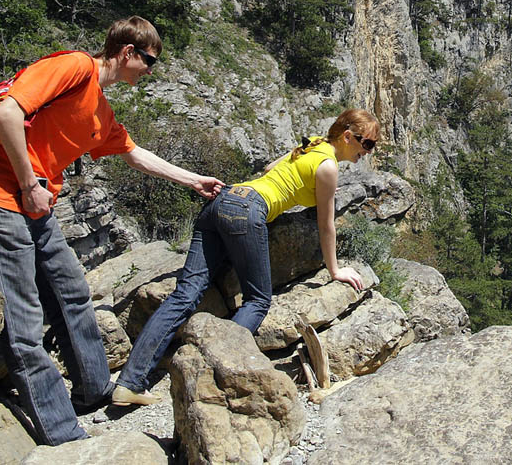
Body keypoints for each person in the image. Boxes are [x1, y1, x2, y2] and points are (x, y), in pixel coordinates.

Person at [0, 16, 223, 445]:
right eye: (149, 61)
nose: (151, 71)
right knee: (24, 322)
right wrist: (28, 183)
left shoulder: (100, 110)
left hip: (37, 206)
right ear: (127, 52)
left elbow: (135, 154)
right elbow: (8, 112)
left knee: (73, 292)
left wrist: (194, 181)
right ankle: (62, 434)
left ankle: (93, 390)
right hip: (0, 198)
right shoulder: (75, 67)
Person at [111, 107, 378, 406]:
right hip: (248, 211)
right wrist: (335, 270)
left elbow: (268, 171)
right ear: (346, 136)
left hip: (225, 199)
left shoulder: (311, 144)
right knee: (257, 301)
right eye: (366, 143)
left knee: (185, 295)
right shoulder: (328, 166)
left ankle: (130, 382)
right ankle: (208, 372)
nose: (367, 152)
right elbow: (325, 225)